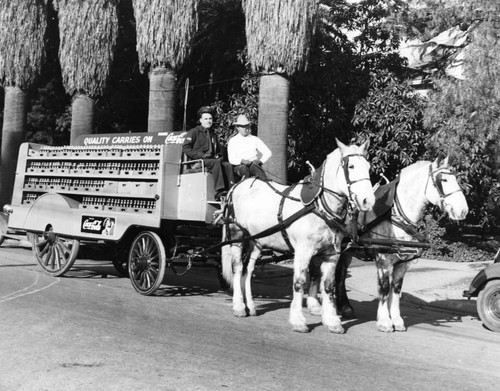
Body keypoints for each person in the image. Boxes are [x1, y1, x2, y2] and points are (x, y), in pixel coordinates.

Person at [183, 106, 234, 200]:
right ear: (200, 120)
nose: (208, 121)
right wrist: (201, 155)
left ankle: (232, 189)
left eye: (210, 118)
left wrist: (220, 156)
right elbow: (186, 148)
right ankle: (220, 190)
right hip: (198, 162)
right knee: (216, 162)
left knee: (228, 165)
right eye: (206, 119)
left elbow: (218, 151)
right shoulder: (194, 132)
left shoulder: (213, 134)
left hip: (212, 161)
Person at [228, 114, 271, 180]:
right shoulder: (233, 141)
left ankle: (266, 183)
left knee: (257, 170)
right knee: (244, 169)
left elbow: (268, 152)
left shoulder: (254, 139)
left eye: (246, 126)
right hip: (239, 166)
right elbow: (231, 159)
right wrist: (242, 161)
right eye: (242, 126)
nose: (245, 128)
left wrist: (260, 161)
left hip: (253, 165)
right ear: (238, 127)